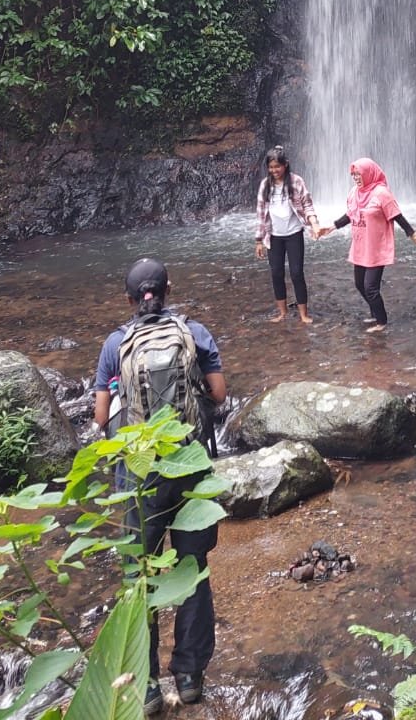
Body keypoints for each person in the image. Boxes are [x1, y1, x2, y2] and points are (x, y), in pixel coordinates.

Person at [94, 257, 226, 716]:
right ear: (169, 289)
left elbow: (99, 416)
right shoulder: (196, 333)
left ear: (129, 300)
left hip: (139, 475)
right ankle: (189, 678)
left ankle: (146, 686)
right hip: (189, 465)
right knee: (192, 568)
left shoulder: (116, 344)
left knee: (140, 575)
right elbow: (219, 392)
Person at [317, 157, 416, 331]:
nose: (356, 178)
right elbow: (350, 215)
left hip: (377, 246)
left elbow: (397, 216)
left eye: (359, 174)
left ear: (368, 173)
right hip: (361, 245)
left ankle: (382, 322)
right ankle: (375, 313)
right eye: (353, 175)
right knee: (359, 284)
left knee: (370, 287)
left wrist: (414, 236)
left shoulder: (381, 193)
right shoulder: (354, 192)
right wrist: (331, 228)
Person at [255, 145, 320, 324]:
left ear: (286, 165)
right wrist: (259, 240)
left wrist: (314, 224)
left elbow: (307, 204)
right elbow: (261, 213)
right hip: (274, 235)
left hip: (294, 233)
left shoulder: (296, 181)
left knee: (297, 273)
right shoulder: (265, 185)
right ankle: (282, 313)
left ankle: (303, 314)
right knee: (276, 273)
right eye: (271, 167)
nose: (274, 170)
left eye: (277, 166)